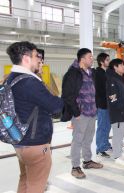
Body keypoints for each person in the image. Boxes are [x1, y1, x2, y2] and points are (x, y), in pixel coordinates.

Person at [6, 41, 63, 193]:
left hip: (20, 141)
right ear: (26, 58)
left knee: (25, 180)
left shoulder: (11, 78)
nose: (40, 59)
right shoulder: (29, 82)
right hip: (35, 143)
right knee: (36, 186)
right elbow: (55, 106)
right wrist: (65, 100)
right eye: (36, 56)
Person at [61, 48, 103, 179]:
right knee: (78, 139)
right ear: (82, 59)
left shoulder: (91, 72)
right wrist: (76, 112)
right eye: (90, 57)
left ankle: (87, 161)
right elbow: (67, 95)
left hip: (92, 112)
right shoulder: (73, 73)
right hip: (81, 113)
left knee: (88, 138)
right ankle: (75, 166)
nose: (92, 59)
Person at [106, 59, 124, 165]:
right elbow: (113, 98)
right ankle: (117, 156)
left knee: (121, 134)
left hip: (123, 111)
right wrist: (120, 109)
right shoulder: (112, 79)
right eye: (121, 65)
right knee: (117, 134)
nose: (123, 67)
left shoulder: (120, 78)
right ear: (115, 67)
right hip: (117, 112)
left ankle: (119, 152)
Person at [94, 53, 112, 159]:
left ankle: (105, 144)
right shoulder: (98, 73)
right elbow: (99, 90)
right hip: (102, 104)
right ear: (102, 62)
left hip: (109, 103)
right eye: (107, 60)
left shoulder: (107, 73)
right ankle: (100, 148)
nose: (109, 62)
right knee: (102, 127)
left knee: (108, 126)